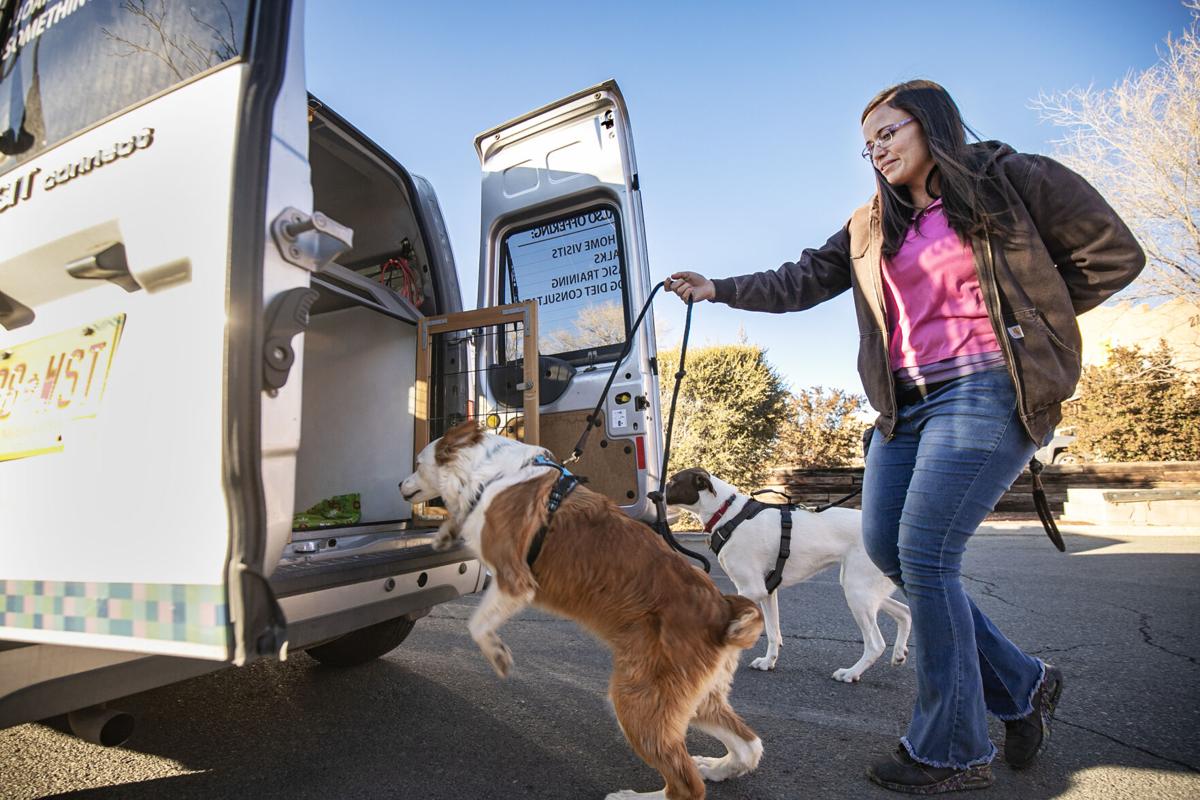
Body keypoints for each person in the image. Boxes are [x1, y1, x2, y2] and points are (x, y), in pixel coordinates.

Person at [664, 79, 1144, 794]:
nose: (878, 150)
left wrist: (1030, 325)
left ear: (931, 123)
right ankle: (1023, 684)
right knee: (890, 550)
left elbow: (1113, 254)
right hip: (904, 406)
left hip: (986, 387)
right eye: (868, 145)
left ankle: (951, 749)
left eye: (888, 132)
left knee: (925, 554)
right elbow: (802, 279)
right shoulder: (870, 224)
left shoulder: (1010, 178)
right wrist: (719, 288)